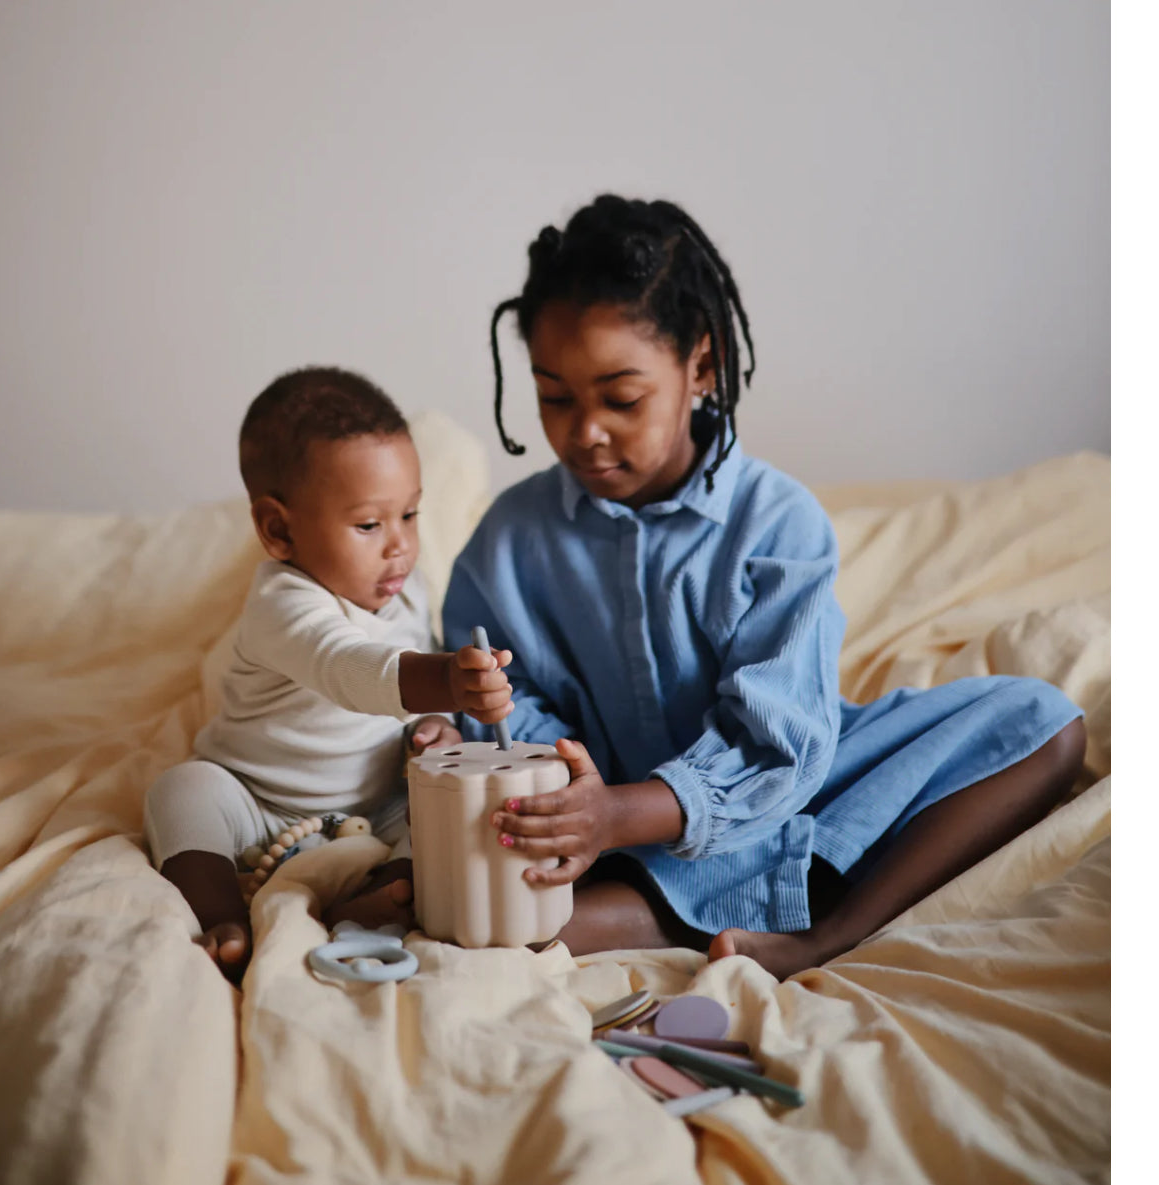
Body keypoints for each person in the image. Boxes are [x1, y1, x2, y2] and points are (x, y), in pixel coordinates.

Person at [440, 195, 1086, 979]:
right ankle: (673, 897)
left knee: (1042, 722)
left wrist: (625, 812)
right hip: (607, 829)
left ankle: (831, 932)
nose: (585, 431)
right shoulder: (507, 542)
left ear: (701, 367)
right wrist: (581, 802)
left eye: (621, 398)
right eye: (555, 397)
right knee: (506, 912)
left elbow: (782, 744)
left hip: (793, 789)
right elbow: (500, 706)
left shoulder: (778, 523)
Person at [144, 366, 512, 979]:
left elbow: (415, 685)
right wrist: (447, 681)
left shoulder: (409, 587)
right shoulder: (282, 605)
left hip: (378, 803)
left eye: (410, 515)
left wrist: (436, 725)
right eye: (369, 524)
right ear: (279, 530)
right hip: (260, 802)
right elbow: (349, 668)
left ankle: (383, 894)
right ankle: (223, 917)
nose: (399, 545)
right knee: (181, 790)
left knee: (447, 807)